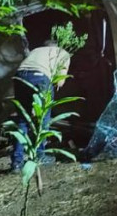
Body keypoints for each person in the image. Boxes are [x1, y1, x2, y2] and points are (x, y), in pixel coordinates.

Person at [9, 39, 72, 172]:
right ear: (56, 47)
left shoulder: (34, 51)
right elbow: (60, 83)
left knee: (22, 120)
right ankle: (40, 156)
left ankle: (16, 163)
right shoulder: (63, 52)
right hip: (40, 77)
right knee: (43, 117)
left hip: (20, 77)